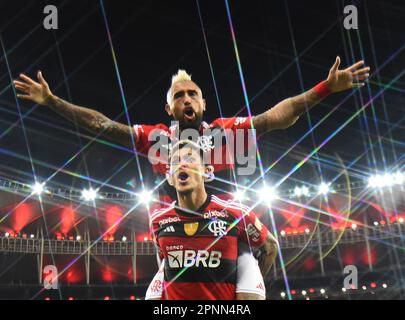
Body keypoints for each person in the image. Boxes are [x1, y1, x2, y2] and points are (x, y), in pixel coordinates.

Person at [13, 57, 370, 204]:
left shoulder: (225, 131)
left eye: (193, 94)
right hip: (174, 238)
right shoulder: (157, 139)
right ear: (168, 109)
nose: (187, 99)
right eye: (179, 95)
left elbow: (278, 116)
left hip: (224, 230)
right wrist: (52, 101)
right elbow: (100, 124)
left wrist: (324, 89)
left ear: (203, 104)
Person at [147, 140, 278, 300]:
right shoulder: (158, 221)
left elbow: (270, 247)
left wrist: (252, 281)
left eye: (189, 159)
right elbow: (165, 260)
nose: (181, 165)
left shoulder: (236, 213)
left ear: (207, 172)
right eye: (175, 161)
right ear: (170, 178)